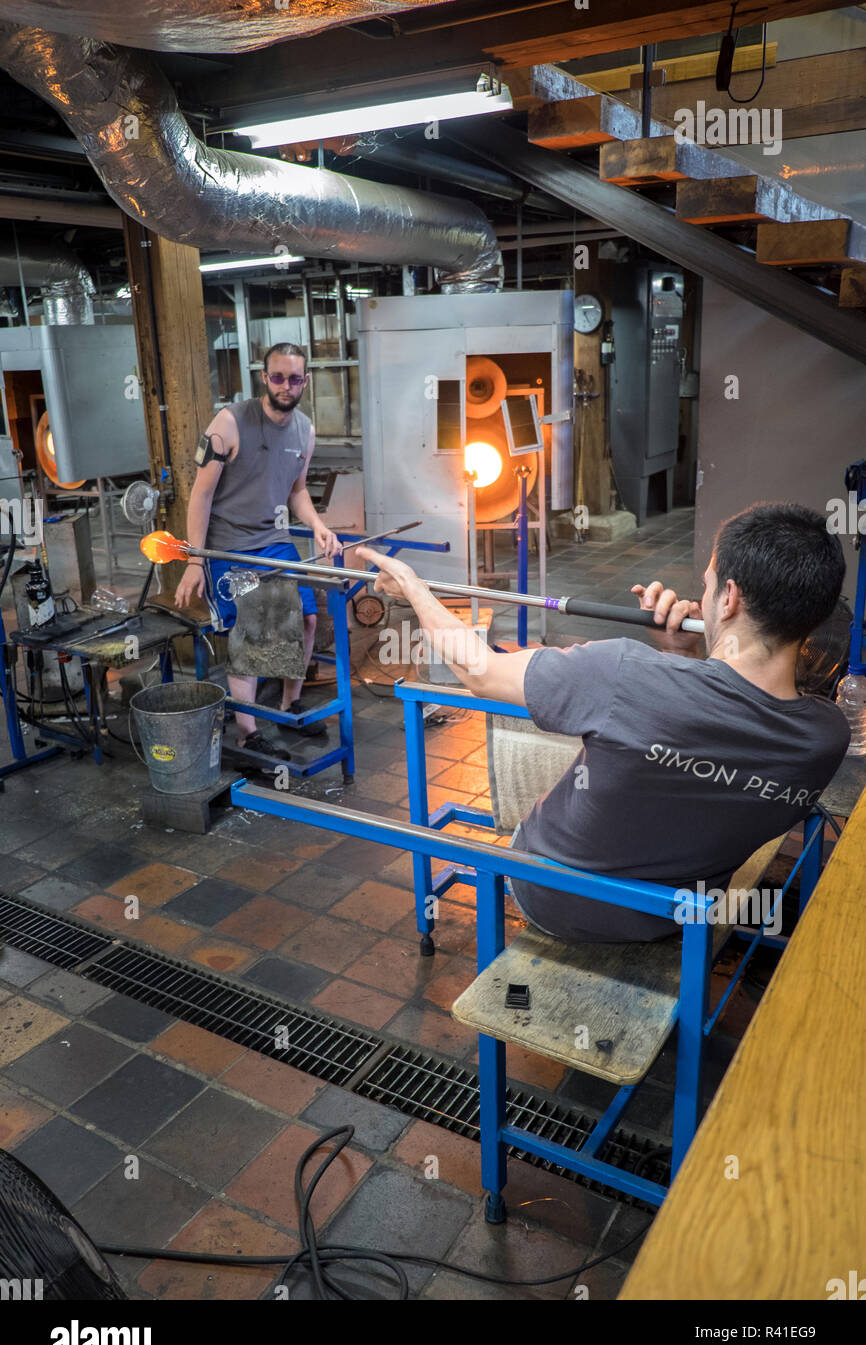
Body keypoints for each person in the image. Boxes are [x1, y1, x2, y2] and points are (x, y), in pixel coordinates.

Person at [357, 502, 851, 944]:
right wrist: (687, 656)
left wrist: (414, 590)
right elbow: (724, 717)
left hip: (554, 897)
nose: (702, 596)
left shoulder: (621, 672)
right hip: (672, 915)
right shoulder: (828, 737)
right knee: (610, 735)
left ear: (729, 599)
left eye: (707, 582)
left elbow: (479, 672)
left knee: (568, 726)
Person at [175, 343, 341, 755]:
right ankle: (247, 733)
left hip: (275, 540)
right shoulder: (229, 422)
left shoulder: (305, 429)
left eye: (295, 378)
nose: (287, 385)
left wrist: (319, 525)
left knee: (306, 619)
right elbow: (200, 495)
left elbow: (296, 491)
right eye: (279, 377)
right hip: (230, 547)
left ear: (306, 381)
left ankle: (290, 703)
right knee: (253, 632)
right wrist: (196, 559)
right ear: (264, 378)